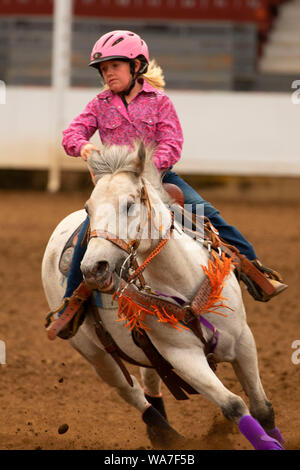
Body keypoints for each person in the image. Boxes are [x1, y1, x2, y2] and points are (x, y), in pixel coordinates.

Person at [60, 30, 287, 316]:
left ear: (136, 66)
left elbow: (171, 142)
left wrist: (149, 170)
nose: (108, 73)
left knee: (207, 214)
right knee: (88, 233)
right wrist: (82, 147)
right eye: (104, 69)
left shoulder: (159, 101)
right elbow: (72, 133)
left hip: (161, 179)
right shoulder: (99, 105)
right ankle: (71, 303)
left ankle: (255, 272)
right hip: (118, 188)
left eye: (114, 66)